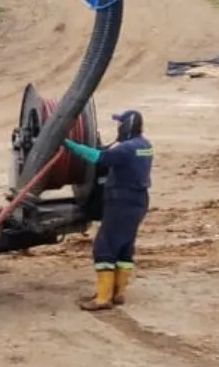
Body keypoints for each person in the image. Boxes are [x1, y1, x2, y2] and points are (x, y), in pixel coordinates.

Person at [64, 109, 154, 311]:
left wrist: (71, 146)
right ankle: (118, 293)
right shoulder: (145, 145)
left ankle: (103, 298)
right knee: (124, 247)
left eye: (120, 124)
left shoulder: (125, 149)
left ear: (126, 126)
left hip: (121, 202)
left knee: (104, 248)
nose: (118, 128)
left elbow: (99, 158)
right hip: (138, 202)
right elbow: (112, 154)